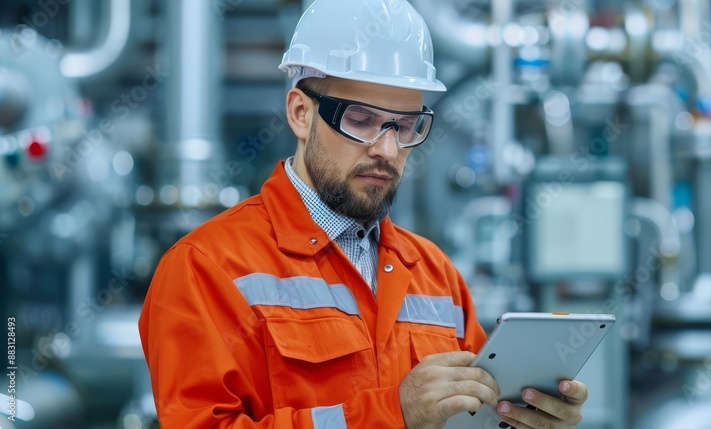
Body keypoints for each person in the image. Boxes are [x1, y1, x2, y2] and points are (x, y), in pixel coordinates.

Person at [138, 0, 590, 428]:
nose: (387, 150)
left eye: (406, 126)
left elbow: (472, 418)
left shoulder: (435, 275)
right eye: (360, 120)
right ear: (300, 113)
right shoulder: (206, 268)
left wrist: (524, 418)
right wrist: (392, 414)